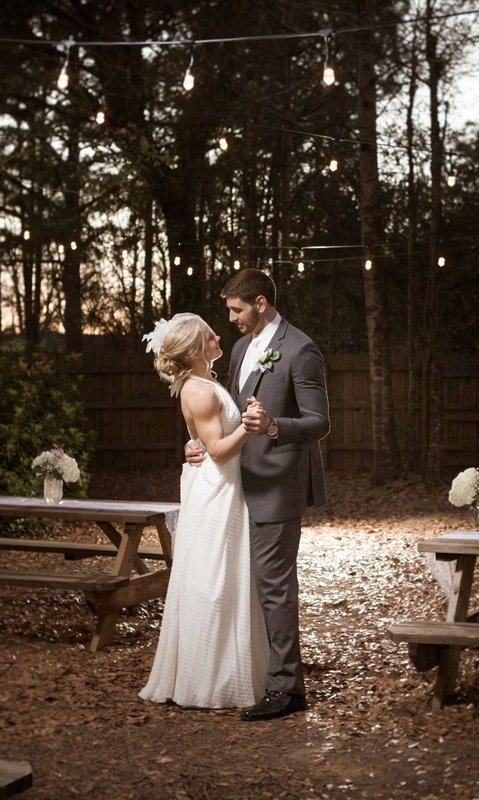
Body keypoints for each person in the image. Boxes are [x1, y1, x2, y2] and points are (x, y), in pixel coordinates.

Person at [186, 269, 330, 721]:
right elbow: (228, 415)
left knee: (273, 587)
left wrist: (272, 426)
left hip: (278, 485)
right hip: (235, 485)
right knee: (246, 585)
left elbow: (319, 422)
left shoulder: (301, 349)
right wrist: (200, 446)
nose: (230, 318)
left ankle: (288, 689)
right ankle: (257, 672)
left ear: (261, 303)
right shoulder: (243, 348)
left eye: (236, 309)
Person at [138, 313, 269, 709]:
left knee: (229, 578)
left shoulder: (208, 381)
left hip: (225, 487)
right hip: (217, 492)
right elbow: (215, 450)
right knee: (213, 581)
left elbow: (204, 441)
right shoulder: (198, 390)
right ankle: (208, 679)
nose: (218, 335)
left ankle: (235, 668)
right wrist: (248, 424)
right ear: (195, 350)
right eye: (210, 334)